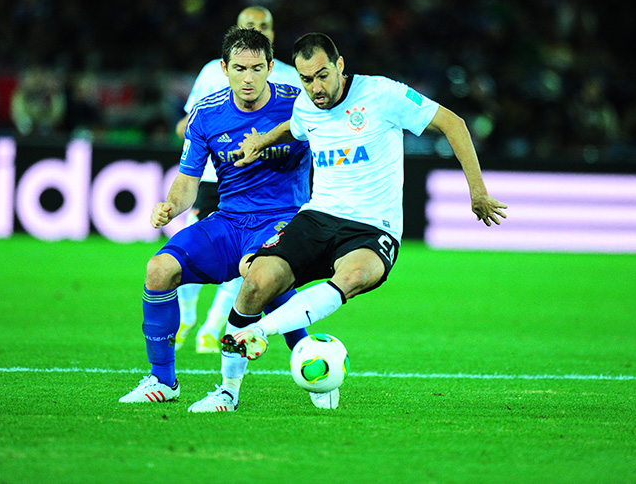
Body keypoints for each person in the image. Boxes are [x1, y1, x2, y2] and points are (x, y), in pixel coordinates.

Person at [213, 32, 507, 410]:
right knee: (255, 283)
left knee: (352, 276)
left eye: (322, 75)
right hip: (318, 216)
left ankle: (258, 332)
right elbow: (295, 126)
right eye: (306, 79)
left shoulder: (382, 94)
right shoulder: (306, 106)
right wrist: (262, 141)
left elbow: (454, 124)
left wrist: (477, 192)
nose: (315, 88)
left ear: (339, 65)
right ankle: (227, 392)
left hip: (373, 226)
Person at [119, 27, 311, 409]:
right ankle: (163, 381)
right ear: (224, 68)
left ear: (271, 67)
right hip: (228, 220)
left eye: (257, 68)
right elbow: (188, 180)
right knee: (159, 269)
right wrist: (171, 206)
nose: (249, 78)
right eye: (240, 68)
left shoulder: (300, 105)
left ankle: (232, 389)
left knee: (256, 278)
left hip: (283, 219)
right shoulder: (206, 113)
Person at [173, 5, 303, 354]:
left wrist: (268, 142)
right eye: (251, 25)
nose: (258, 30)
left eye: (265, 26)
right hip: (216, 178)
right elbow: (185, 125)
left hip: (268, 187)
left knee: (253, 262)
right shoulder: (212, 75)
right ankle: (187, 316)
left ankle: (213, 327)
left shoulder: (291, 79)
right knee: (189, 251)